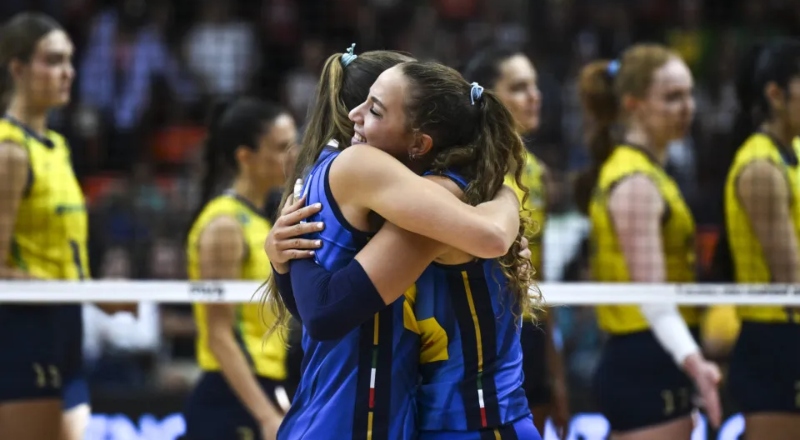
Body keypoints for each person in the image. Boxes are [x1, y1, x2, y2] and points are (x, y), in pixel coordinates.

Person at [263, 47, 523, 440]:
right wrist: (508, 197)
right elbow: (323, 313)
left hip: (420, 420)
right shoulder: (372, 172)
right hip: (370, 420)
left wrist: (281, 263)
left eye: (377, 109)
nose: (358, 117)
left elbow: (314, 311)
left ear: (421, 138)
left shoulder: (345, 177)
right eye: (367, 104)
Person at [573, 43, 721, 439]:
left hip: (657, 351)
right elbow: (653, 296)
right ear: (634, 104)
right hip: (647, 353)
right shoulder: (635, 181)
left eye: (689, 94)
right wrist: (695, 363)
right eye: (672, 97)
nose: (686, 106)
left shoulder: (648, 171)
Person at [462, 46, 570, 438]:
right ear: (489, 97)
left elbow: (538, 277)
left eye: (535, 85)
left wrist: (556, 374)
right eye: (519, 87)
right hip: (480, 332)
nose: (534, 96)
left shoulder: (536, 171)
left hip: (528, 328)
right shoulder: (469, 167)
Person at [0, 12, 92, 440]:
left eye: (69, 61)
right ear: (17, 69)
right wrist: (55, 286)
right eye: (53, 61)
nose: (67, 72)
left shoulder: (58, 146)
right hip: (23, 325)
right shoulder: (9, 151)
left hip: (67, 323)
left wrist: (98, 294)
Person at [183, 98, 298, 440]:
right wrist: (264, 415)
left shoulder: (262, 221)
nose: (290, 156)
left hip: (265, 383)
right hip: (230, 396)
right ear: (245, 157)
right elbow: (219, 334)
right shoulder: (225, 224)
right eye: (280, 147)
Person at [722, 40, 800, 440]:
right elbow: (792, 279)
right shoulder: (761, 168)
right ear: (775, 94)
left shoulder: (794, 151)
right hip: (777, 339)